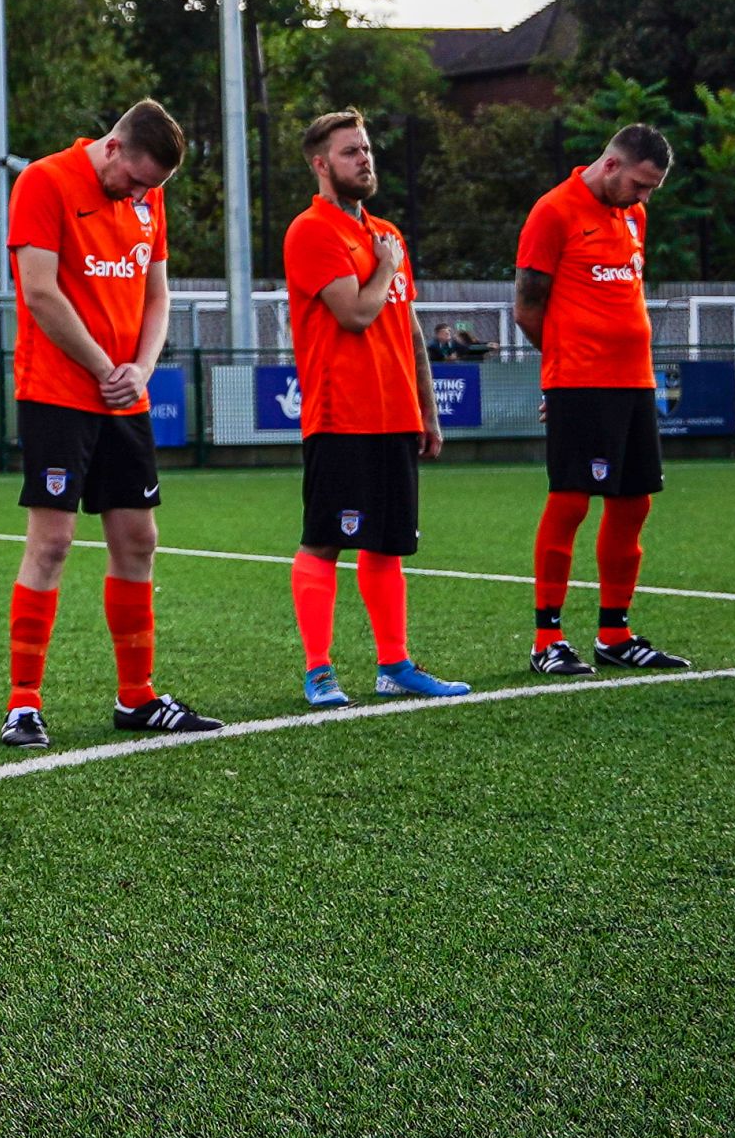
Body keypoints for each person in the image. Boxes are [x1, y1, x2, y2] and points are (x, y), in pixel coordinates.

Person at [1, 103, 221, 743]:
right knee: (51, 544)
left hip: (125, 396)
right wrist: (106, 367)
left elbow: (158, 294)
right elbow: (40, 291)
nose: (139, 195)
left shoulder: (148, 197)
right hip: (58, 391)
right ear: (114, 146)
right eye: (135, 181)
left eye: (151, 189)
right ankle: (23, 703)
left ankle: (137, 698)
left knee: (138, 541)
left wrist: (142, 370)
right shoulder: (44, 181)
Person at [281, 112, 469, 705]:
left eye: (366, 149)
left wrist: (428, 410)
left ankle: (395, 666)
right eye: (349, 152)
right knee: (325, 542)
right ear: (320, 164)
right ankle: (319, 671)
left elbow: (407, 324)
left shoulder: (386, 232)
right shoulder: (312, 232)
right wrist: (384, 265)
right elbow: (356, 314)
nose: (364, 160)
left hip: (395, 417)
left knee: (388, 545)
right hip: (342, 416)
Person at [514, 124, 691, 675]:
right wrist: (560, 376)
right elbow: (527, 307)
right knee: (571, 501)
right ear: (611, 165)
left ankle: (615, 634)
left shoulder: (633, 215)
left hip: (635, 382)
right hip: (581, 383)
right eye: (640, 184)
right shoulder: (553, 211)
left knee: (634, 503)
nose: (644, 197)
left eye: (653, 189)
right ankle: (548, 640)